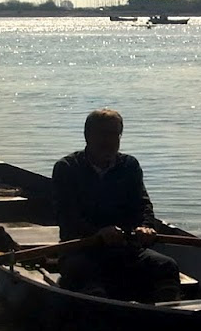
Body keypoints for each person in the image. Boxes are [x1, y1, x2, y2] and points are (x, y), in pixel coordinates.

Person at [51, 108, 181, 302]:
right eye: (103, 134)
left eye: (114, 134)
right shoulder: (67, 168)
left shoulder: (129, 165)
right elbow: (67, 217)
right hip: (82, 250)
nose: (109, 141)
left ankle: (169, 315)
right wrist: (98, 232)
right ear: (87, 136)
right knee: (88, 279)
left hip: (126, 249)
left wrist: (146, 227)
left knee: (167, 266)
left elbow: (143, 205)